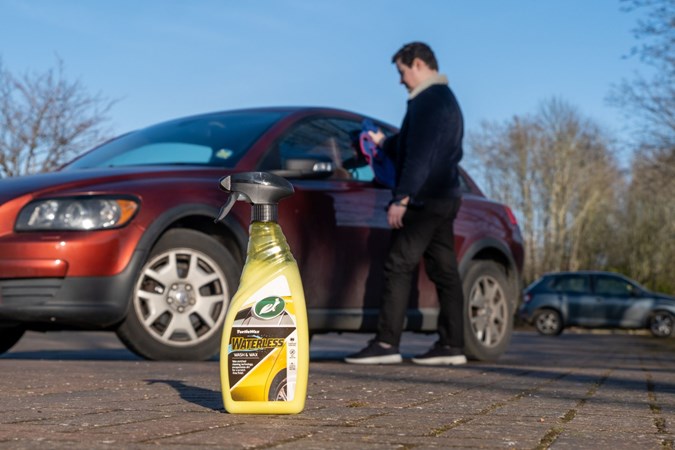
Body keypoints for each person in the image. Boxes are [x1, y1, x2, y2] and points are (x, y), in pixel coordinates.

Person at [345, 42, 466, 366]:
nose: (400, 80)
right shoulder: (447, 100)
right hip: (447, 196)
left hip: (424, 199)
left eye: (401, 72)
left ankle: (386, 344)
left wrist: (402, 197)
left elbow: (420, 155)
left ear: (417, 64)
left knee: (398, 265)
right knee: (445, 272)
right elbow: (417, 143)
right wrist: (385, 142)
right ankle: (452, 346)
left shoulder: (427, 100)